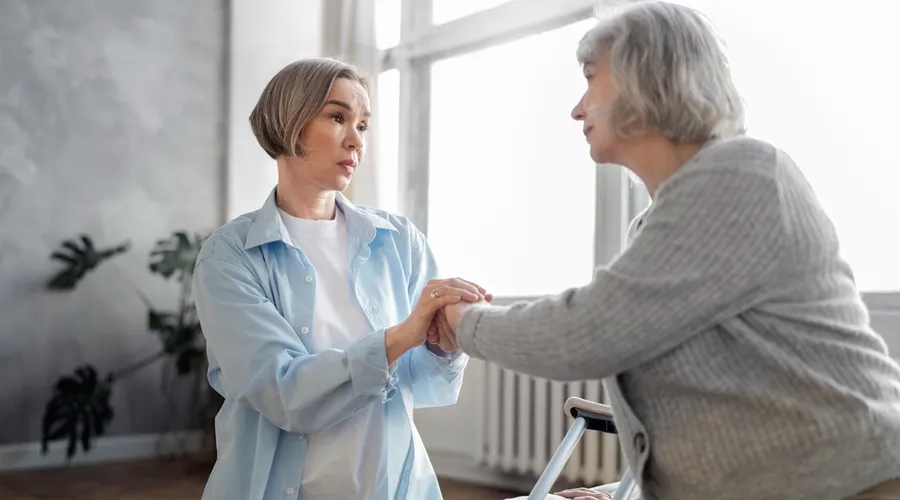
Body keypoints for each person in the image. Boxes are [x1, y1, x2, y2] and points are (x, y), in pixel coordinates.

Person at [436, 2, 900, 499]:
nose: (577, 107)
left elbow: (586, 333)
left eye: (592, 78)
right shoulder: (657, 222)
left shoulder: (742, 175)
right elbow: (713, 412)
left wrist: (463, 321)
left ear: (648, 78)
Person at [193, 58, 490, 500]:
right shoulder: (230, 256)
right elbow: (283, 393)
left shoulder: (399, 241)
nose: (356, 141)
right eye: (338, 117)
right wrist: (399, 336)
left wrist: (441, 345)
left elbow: (424, 383)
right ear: (289, 124)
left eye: (364, 126)